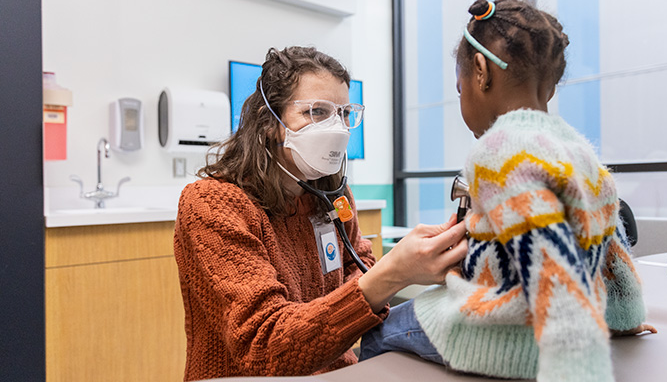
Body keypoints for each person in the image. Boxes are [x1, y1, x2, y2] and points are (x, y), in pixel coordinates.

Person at [359, 0, 656, 381]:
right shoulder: (582, 154)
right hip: (546, 326)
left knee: (375, 334)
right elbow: (612, 252)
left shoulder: (500, 151)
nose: (462, 98)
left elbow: (555, 272)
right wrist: (626, 318)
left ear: (480, 72)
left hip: (503, 337)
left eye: (459, 87)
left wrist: (577, 369)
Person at [173, 46, 468, 381]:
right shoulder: (213, 204)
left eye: (343, 114)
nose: (337, 128)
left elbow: (361, 267)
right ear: (271, 122)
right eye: (316, 112)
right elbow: (266, 347)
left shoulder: (332, 197)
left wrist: (390, 272)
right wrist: (392, 275)